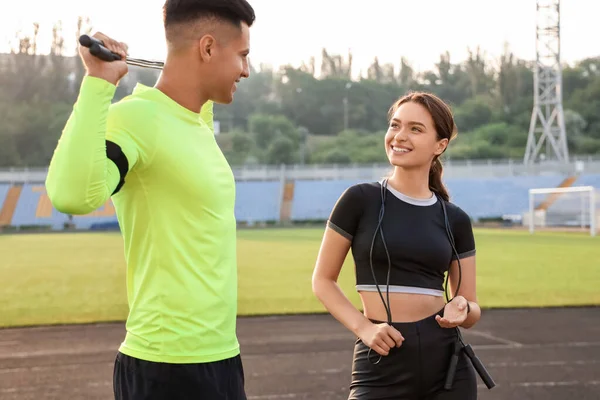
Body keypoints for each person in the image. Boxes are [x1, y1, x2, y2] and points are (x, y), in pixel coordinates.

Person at [45, 0, 255, 398]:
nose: (246, 70)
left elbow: (187, 96)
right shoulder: (136, 118)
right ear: (208, 48)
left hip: (221, 358)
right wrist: (99, 82)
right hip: (166, 368)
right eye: (242, 55)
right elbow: (72, 195)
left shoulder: (195, 122)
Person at [312, 91, 481, 399]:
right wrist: (364, 329)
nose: (400, 136)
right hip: (380, 355)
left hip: (446, 364)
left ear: (440, 145)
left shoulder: (454, 218)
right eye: (395, 125)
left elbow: (470, 306)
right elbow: (323, 280)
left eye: (416, 129)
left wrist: (463, 308)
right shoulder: (360, 200)